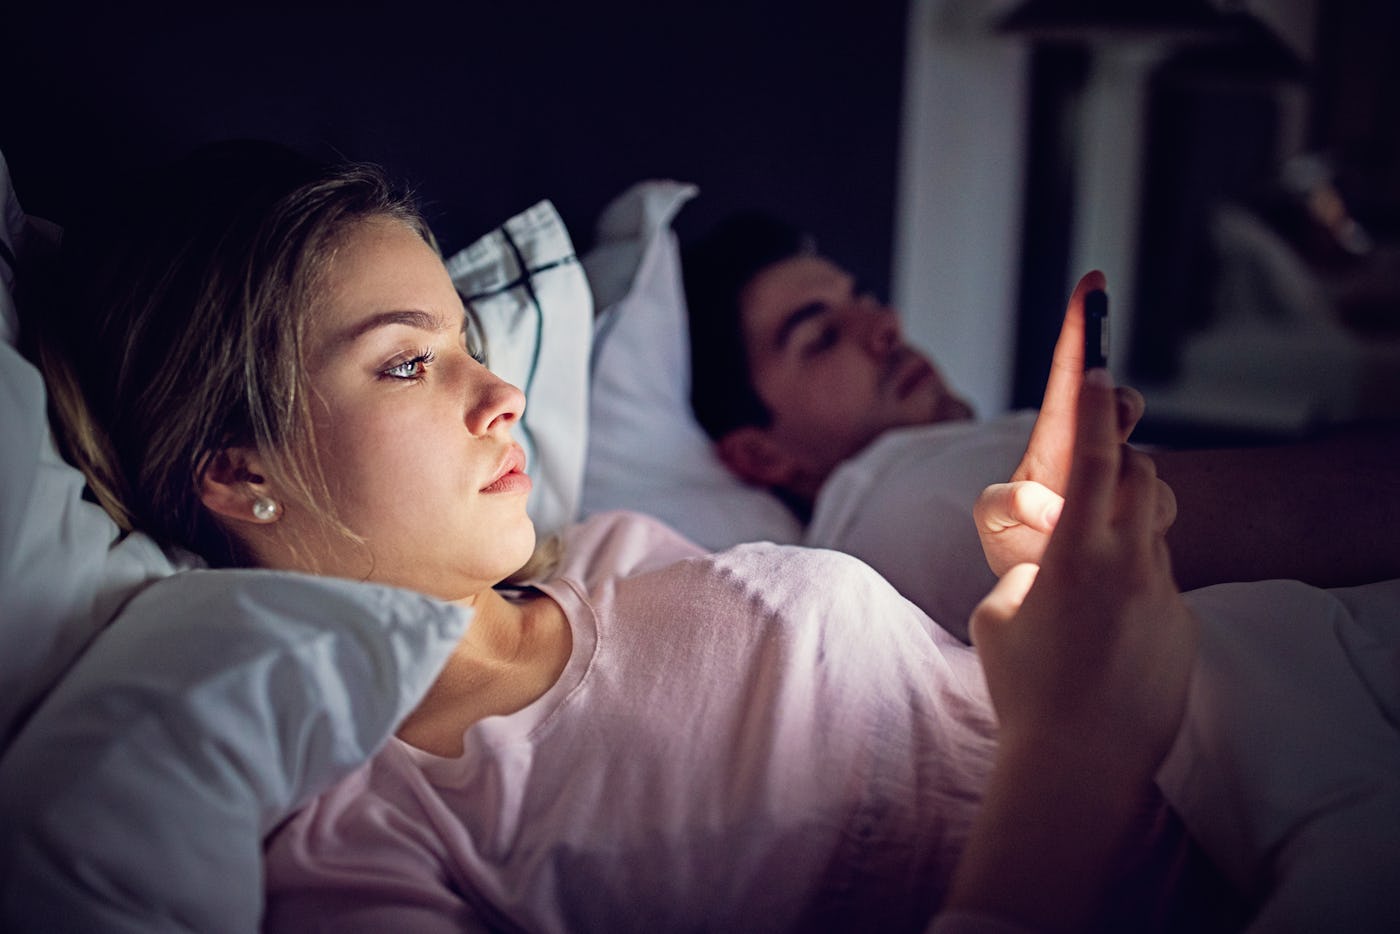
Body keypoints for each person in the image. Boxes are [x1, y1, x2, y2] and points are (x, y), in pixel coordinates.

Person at [26, 141, 1399, 932]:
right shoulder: (363, 844)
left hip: (1290, 720)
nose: (500, 389)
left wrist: (1054, 593)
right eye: (405, 363)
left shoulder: (619, 551)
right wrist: (1073, 753)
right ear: (238, 473)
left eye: (467, 339)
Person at [683, 212, 1400, 639]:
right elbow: (1300, 513)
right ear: (761, 456)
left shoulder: (922, 472)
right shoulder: (909, 498)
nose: (884, 326)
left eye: (863, 298)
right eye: (822, 337)